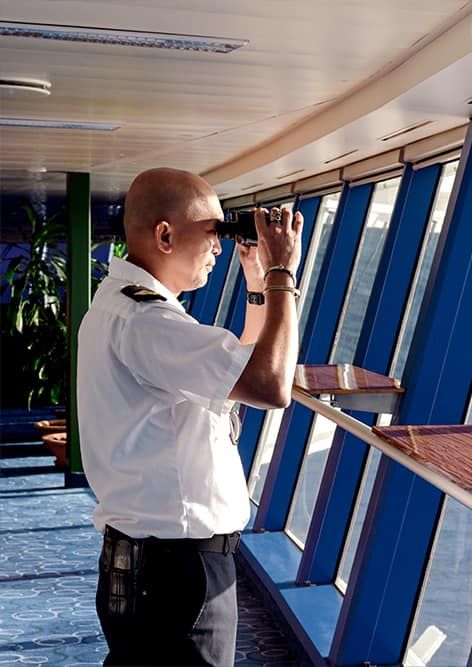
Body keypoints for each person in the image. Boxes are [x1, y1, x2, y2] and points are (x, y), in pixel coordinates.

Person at [77, 167, 303, 666]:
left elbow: (241, 370)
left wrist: (254, 280)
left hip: (151, 568)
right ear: (164, 234)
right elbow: (270, 386)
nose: (219, 247)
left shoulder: (129, 309)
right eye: (213, 232)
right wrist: (282, 272)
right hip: (175, 575)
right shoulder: (147, 321)